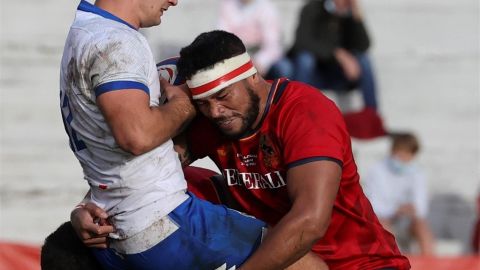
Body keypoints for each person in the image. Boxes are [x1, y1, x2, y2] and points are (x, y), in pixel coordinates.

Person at [73, 30, 410, 269]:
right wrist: (89, 209)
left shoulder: (306, 112)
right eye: (204, 103)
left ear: (252, 76)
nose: (216, 111)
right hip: (285, 259)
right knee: (181, 181)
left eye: (223, 97)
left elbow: (310, 222)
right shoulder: (216, 119)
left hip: (358, 263)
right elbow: (145, 177)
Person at [59, 1, 291, 269]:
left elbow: (107, 145)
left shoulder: (83, 30)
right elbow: (136, 135)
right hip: (161, 222)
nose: (174, 0)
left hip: (112, 226)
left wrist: (82, 207)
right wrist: (185, 106)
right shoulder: (116, 42)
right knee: (299, 259)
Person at [290, 0, 378, 110]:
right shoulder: (312, 8)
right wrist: (337, 54)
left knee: (365, 60)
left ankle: (372, 117)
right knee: (305, 59)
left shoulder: (349, 16)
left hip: (338, 74)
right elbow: (302, 42)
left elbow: (363, 45)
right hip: (315, 73)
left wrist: (357, 18)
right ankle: (298, 110)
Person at [363, 133, 435, 255]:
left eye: (408, 156)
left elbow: (421, 207)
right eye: (401, 155)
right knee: (383, 226)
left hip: (406, 220)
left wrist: (411, 209)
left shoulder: (418, 173)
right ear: (392, 152)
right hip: (383, 219)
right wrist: (395, 210)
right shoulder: (376, 171)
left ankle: (431, 265)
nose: (404, 160)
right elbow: (373, 206)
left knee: (423, 229)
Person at [217, 0, 293, 79]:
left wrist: (260, 61)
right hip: (236, 54)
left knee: (284, 68)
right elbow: (222, 39)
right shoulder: (228, 5)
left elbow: (273, 45)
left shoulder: (266, 8)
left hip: (261, 54)